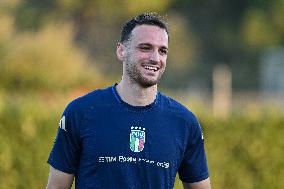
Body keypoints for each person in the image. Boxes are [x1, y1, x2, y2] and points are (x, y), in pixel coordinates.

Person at [46, 13, 211, 189]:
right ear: (121, 51)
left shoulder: (184, 122)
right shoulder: (80, 112)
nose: (155, 58)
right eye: (145, 48)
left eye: (162, 50)